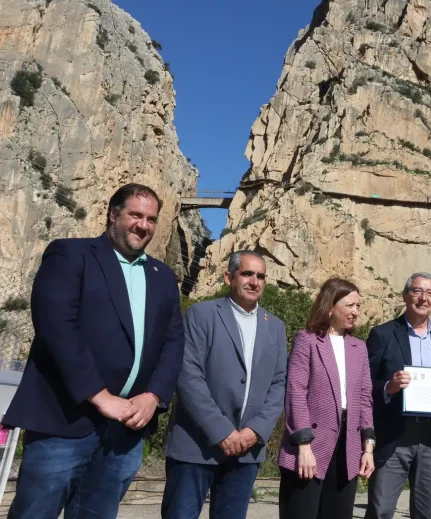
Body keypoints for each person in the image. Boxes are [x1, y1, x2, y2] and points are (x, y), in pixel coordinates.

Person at [4, 183, 184, 519]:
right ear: (114, 214)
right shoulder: (71, 255)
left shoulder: (162, 277)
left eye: (151, 219)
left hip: (127, 430)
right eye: (135, 215)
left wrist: (154, 396)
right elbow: (57, 327)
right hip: (65, 422)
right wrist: (99, 396)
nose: (143, 225)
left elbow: (174, 344)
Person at [162, 251, 287, 519]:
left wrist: (255, 431)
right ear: (229, 277)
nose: (255, 281)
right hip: (196, 447)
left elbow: (279, 384)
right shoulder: (201, 314)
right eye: (247, 274)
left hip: (247, 450)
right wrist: (221, 432)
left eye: (261, 276)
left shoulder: (275, 327)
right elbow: (188, 375)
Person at [365, 272, 431, 519]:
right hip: (393, 437)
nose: (423, 298)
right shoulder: (382, 334)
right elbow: (363, 385)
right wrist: (387, 387)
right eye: (417, 291)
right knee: (380, 511)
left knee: (427, 513)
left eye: (430, 293)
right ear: (405, 296)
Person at [278, 278, 375, 519]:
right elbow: (296, 393)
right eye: (350, 305)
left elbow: (365, 399)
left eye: (358, 306)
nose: (356, 311)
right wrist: (303, 445)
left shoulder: (359, 348)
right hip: (310, 446)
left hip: (348, 450)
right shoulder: (307, 340)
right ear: (330, 306)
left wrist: (368, 447)